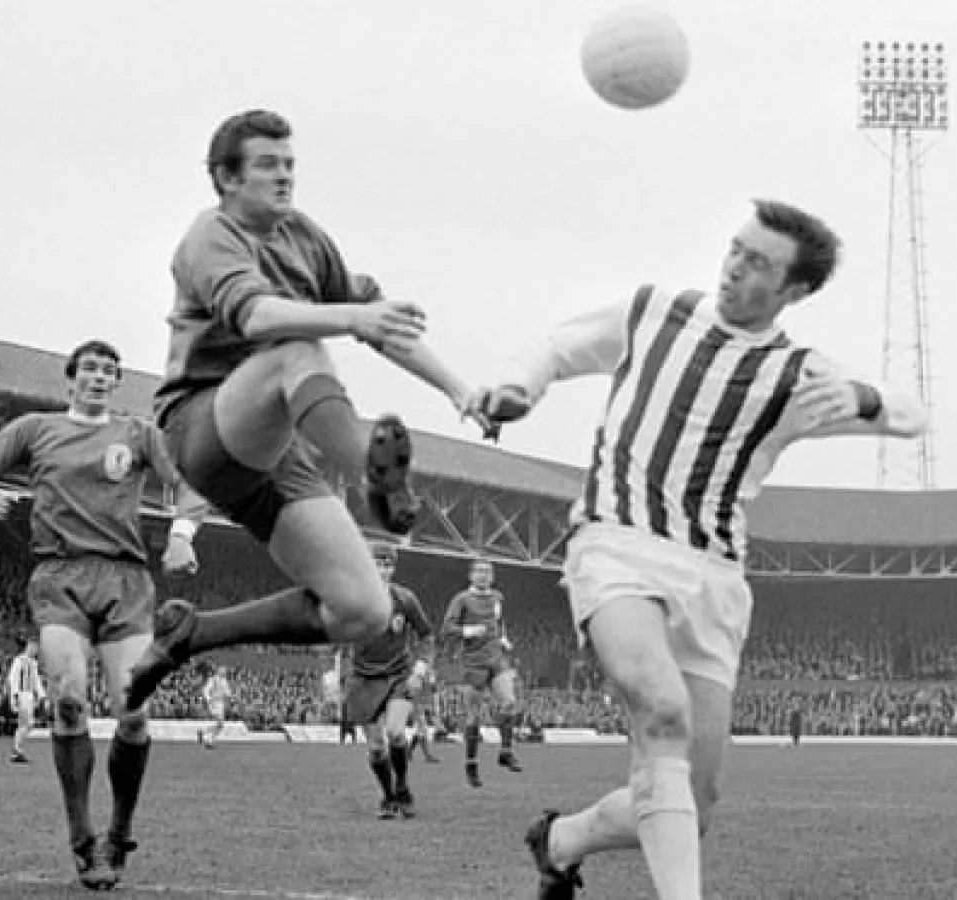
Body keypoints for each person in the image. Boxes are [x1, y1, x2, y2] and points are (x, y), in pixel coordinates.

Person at [469, 199, 927, 900]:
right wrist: (517, 388)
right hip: (615, 544)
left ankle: (562, 841)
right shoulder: (656, 311)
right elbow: (559, 344)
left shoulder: (795, 373)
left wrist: (865, 395)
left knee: (691, 801)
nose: (735, 267)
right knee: (661, 707)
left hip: (713, 577)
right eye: (737, 249)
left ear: (794, 292)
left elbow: (911, 415)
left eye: (759, 265)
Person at [124, 108, 491, 709]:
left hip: (274, 450)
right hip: (200, 426)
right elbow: (259, 316)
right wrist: (350, 318)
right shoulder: (209, 236)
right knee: (294, 348)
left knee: (364, 610)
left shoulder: (305, 237)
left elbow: (381, 321)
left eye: (290, 164)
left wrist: (459, 390)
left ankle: (195, 633)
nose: (285, 176)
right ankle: (369, 471)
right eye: (268, 165)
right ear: (227, 178)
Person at [0, 339, 207, 890]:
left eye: (110, 371)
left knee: (134, 712)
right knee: (68, 701)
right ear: (71, 378)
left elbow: (187, 481)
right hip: (59, 576)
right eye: (91, 369)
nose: (100, 377)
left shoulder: (138, 434)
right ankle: (83, 840)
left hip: (125, 579)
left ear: (116, 384)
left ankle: (119, 832)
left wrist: (183, 534)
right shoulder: (34, 429)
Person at [342, 542, 435, 819]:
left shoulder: (405, 599)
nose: (383, 570)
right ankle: (388, 795)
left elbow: (427, 636)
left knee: (395, 732)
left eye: (388, 564)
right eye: (377, 563)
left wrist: (420, 670)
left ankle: (403, 787)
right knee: (375, 747)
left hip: (398, 674)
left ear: (393, 568)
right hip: (363, 678)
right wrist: (330, 673)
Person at [441, 559, 523, 787]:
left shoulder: (498, 597)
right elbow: (447, 628)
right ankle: (471, 765)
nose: (484, 575)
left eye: (488, 571)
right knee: (473, 715)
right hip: (472, 663)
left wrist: (503, 637)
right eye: (479, 571)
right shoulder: (461, 599)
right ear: (471, 575)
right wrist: (468, 631)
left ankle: (505, 751)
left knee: (509, 701)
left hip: (496, 657)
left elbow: (499, 621)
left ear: (493, 576)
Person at [6, 637, 46, 764]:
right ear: (28, 646)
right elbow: (12, 678)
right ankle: (16, 750)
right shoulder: (19, 660)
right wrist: (15, 695)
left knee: (25, 724)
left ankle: (16, 750)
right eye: (34, 647)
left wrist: (41, 696)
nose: (36, 650)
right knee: (27, 723)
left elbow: (36, 680)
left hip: (29, 696)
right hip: (22, 695)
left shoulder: (33, 663)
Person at [198, 665, 233, 749]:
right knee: (220, 722)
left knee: (220, 725)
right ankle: (208, 740)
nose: (224, 672)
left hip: (221, 703)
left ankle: (205, 734)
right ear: (219, 671)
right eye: (223, 671)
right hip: (214, 702)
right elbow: (206, 690)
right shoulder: (213, 679)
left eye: (225, 671)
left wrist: (231, 700)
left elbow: (227, 693)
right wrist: (208, 699)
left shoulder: (224, 681)